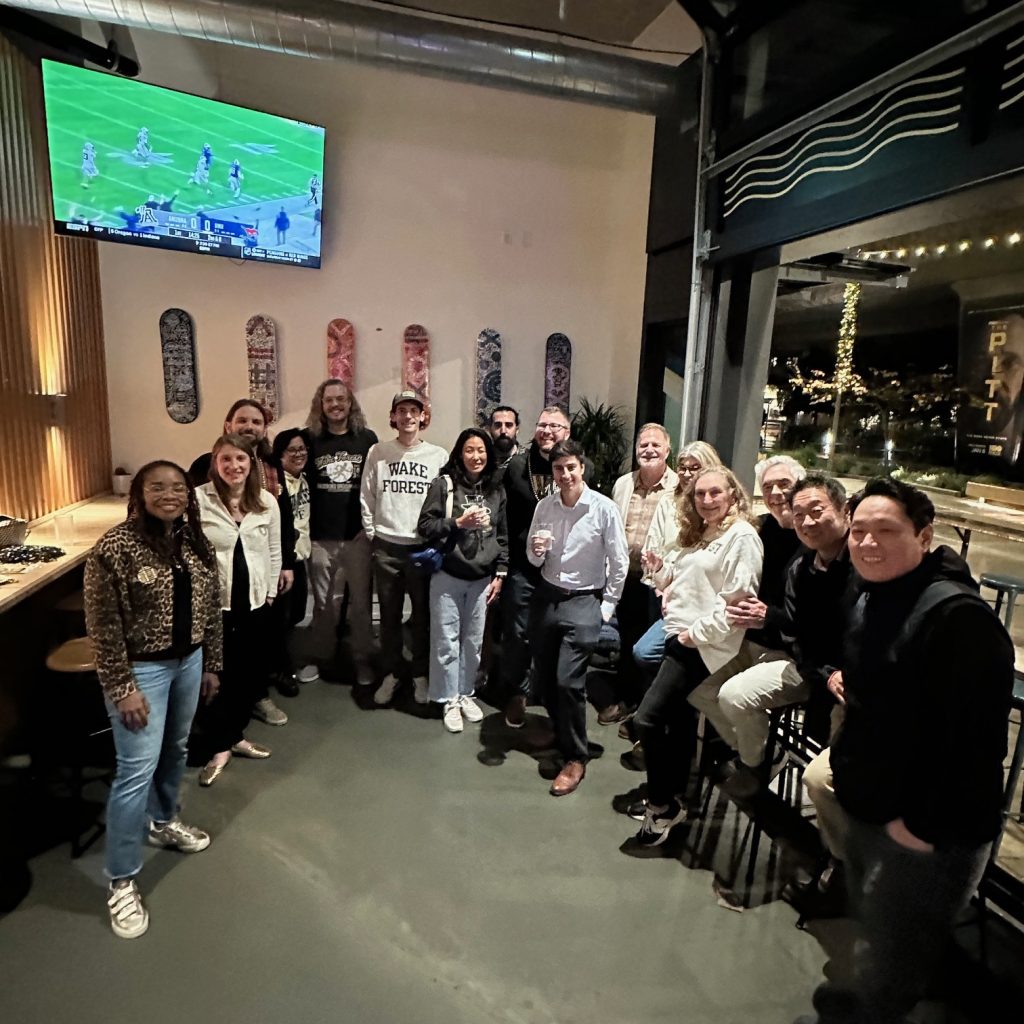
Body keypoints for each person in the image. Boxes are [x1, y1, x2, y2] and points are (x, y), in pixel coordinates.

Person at [795, 478, 1013, 1024]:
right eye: (860, 532)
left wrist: (917, 826)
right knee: (877, 929)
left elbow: (974, 745)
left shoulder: (956, 617)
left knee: (898, 950)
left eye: (885, 531)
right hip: (876, 805)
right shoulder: (876, 595)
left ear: (924, 535)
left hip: (930, 830)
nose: (867, 543)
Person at [84, 461, 222, 938]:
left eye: (178, 487)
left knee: (176, 750)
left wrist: (211, 663)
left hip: (188, 663)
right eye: (157, 487)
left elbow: (211, 607)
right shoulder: (115, 548)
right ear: (139, 494)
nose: (169, 494)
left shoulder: (193, 541)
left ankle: (164, 820)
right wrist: (122, 687)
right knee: (135, 769)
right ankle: (121, 879)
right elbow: (102, 627)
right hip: (141, 669)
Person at [631, 467, 762, 846]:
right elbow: (682, 584)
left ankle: (662, 804)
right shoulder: (701, 533)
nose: (706, 500)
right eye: (700, 494)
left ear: (732, 495)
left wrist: (694, 635)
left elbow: (738, 605)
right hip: (679, 635)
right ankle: (673, 798)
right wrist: (659, 573)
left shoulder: (742, 537)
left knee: (648, 719)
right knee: (673, 722)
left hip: (699, 645)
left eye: (714, 493)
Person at [687, 454, 809, 792]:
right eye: (768, 486)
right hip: (753, 642)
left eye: (784, 484)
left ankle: (758, 764)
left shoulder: (813, 542)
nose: (776, 492)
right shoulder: (761, 529)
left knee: (733, 696)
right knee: (698, 689)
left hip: (795, 656)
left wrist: (768, 615)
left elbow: (815, 621)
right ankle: (761, 752)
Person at [526, 440, 629, 796]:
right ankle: (562, 734)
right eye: (559, 469)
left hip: (585, 600)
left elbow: (619, 562)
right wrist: (537, 553)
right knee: (546, 676)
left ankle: (575, 758)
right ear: (552, 473)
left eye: (571, 467)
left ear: (581, 467)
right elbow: (532, 554)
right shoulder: (545, 507)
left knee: (568, 681)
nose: (566, 474)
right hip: (547, 597)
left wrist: (606, 607)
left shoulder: (603, 509)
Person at [190, 399, 294, 723]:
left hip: (257, 586)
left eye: (256, 422)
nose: (234, 465)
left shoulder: (270, 481)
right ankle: (220, 715)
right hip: (215, 593)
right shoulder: (199, 491)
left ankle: (254, 700)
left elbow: (277, 536)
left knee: (256, 650)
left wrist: (279, 574)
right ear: (228, 425)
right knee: (219, 656)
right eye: (242, 421)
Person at [193, 435, 282, 786]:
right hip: (218, 606)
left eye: (241, 459)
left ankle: (237, 736)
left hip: (256, 602)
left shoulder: (265, 502)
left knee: (247, 674)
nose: (234, 466)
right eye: (226, 459)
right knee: (216, 677)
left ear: (251, 463)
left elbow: (273, 550)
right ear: (215, 462)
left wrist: (271, 592)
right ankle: (219, 746)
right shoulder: (198, 501)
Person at [500, 404, 587, 727]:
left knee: (556, 634)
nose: (547, 431)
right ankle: (518, 693)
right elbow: (505, 520)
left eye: (555, 426)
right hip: (524, 566)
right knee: (518, 632)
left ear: (568, 433)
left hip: (565, 570)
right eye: (542, 425)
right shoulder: (518, 466)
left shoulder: (580, 467)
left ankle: (550, 694)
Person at [417, 428, 508, 733]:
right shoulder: (444, 484)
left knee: (473, 641)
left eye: (481, 450)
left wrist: (501, 573)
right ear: (459, 454)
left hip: (482, 578)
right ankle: (447, 699)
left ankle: (465, 692)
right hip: (449, 574)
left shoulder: (496, 490)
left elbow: (502, 535)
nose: (476, 456)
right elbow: (425, 525)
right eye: (469, 450)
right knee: (446, 639)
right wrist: (458, 522)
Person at [361, 390, 447, 705]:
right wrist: (373, 532)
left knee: (423, 617)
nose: (408, 416)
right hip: (386, 548)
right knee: (388, 616)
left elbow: (444, 501)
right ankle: (392, 673)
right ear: (393, 416)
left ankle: (420, 674)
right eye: (402, 410)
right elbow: (367, 494)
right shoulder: (378, 452)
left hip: (421, 550)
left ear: (423, 416)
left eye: (414, 410)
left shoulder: (438, 455)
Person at [600, 423, 679, 725]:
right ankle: (627, 700)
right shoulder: (623, 484)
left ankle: (649, 712)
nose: (648, 450)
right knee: (627, 639)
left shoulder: (678, 487)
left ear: (667, 450)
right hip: (627, 577)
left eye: (655, 445)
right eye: (643, 445)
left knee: (651, 649)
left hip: (659, 582)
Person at [303, 379, 379, 685]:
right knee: (324, 604)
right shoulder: (309, 439)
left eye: (341, 399)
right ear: (320, 405)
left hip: (357, 536)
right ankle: (321, 656)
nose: (335, 405)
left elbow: (375, 486)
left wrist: (371, 526)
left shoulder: (367, 439)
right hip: (320, 536)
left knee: (361, 604)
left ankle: (362, 660)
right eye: (329, 400)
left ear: (351, 404)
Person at [630, 440, 724, 680]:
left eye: (695, 467)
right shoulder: (669, 502)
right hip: (661, 586)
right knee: (649, 654)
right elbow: (654, 546)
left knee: (669, 653)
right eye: (682, 467)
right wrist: (661, 585)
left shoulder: (716, 509)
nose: (686, 473)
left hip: (698, 595)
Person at [271, 429, 312, 690]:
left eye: (301, 449)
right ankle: (280, 670)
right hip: (283, 558)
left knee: (296, 612)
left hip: (301, 555)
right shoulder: (275, 483)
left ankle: (282, 662)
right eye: (291, 450)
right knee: (280, 618)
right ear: (280, 454)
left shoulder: (305, 479)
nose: (298, 454)